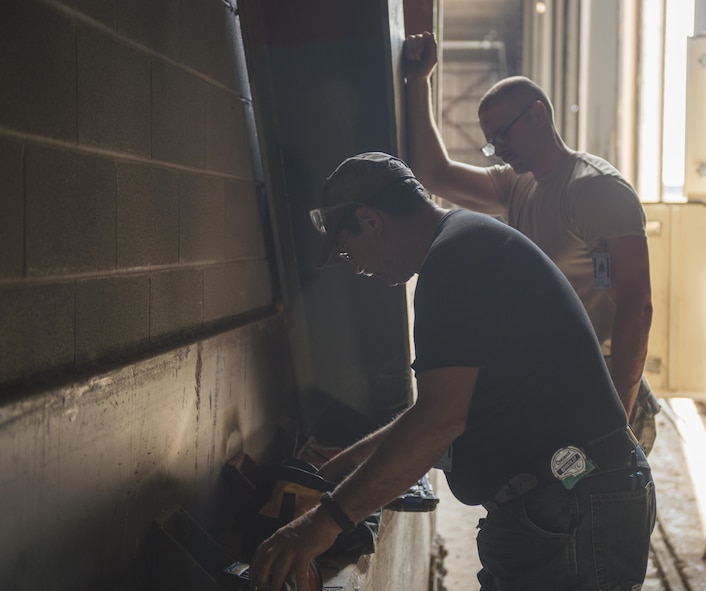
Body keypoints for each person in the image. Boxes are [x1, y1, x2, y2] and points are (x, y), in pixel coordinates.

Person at [250, 152, 656, 591]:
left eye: (347, 250)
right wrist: (336, 470)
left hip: (572, 508)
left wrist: (321, 525)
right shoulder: (466, 243)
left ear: (370, 220)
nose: (355, 267)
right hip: (564, 503)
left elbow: (439, 422)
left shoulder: (455, 261)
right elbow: (438, 409)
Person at [403, 31, 660, 454]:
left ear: (538, 115)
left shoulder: (594, 190)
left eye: (503, 135)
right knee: (560, 509)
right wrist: (419, 81)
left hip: (602, 397)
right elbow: (435, 176)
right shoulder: (517, 184)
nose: (499, 150)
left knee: (601, 508)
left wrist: (614, 421)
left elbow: (636, 308)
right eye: (492, 142)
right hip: (558, 394)